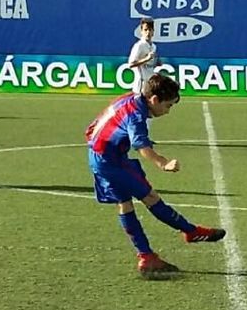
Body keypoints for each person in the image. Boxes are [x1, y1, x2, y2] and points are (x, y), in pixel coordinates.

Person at [85, 73, 226, 278]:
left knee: (125, 204)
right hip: (110, 161)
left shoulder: (128, 98)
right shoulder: (136, 115)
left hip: (100, 155)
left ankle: (147, 256)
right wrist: (163, 162)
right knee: (150, 197)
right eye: (168, 106)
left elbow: (94, 126)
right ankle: (189, 232)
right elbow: (140, 144)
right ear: (154, 100)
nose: (167, 112)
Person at [126, 17, 159, 95]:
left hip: (150, 85)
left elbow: (150, 64)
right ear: (141, 31)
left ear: (153, 32)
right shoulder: (139, 46)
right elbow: (130, 64)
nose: (148, 32)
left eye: (150, 30)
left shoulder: (153, 46)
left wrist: (157, 62)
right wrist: (146, 59)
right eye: (145, 30)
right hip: (140, 85)